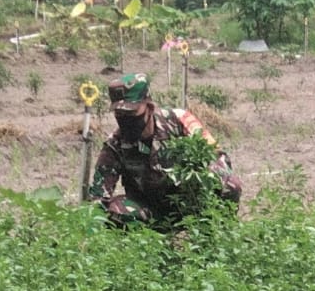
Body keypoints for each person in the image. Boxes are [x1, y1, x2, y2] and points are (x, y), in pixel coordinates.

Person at [89, 72, 242, 229]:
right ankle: (147, 244)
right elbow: (98, 197)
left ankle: (219, 234)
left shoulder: (179, 121)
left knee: (229, 183)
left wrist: (196, 178)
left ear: (149, 107)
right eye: (119, 114)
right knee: (114, 210)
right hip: (150, 213)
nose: (125, 119)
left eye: (131, 113)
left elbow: (217, 158)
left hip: (192, 207)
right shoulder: (115, 144)